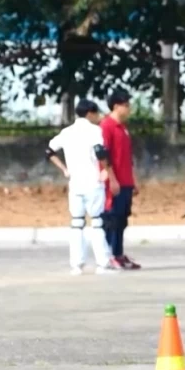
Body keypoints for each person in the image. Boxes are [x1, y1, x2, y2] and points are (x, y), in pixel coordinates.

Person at [45, 99, 119, 275]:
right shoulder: (95, 131)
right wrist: (107, 170)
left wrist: (64, 169)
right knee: (97, 223)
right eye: (96, 114)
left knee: (77, 223)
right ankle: (102, 263)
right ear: (90, 113)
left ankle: (76, 264)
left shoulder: (67, 132)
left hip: (75, 184)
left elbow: (49, 151)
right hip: (93, 182)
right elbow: (100, 152)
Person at [100, 89, 140, 270]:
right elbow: (104, 155)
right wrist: (112, 179)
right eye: (126, 105)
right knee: (112, 219)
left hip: (126, 181)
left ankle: (119, 253)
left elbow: (128, 157)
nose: (128, 108)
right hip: (114, 182)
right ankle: (109, 254)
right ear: (116, 106)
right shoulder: (106, 126)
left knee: (122, 219)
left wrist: (134, 180)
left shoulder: (123, 128)